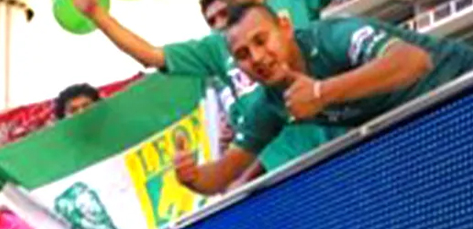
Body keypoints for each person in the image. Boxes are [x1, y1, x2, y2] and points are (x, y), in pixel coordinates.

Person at [175, 3, 473, 194]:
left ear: (285, 27)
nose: (257, 58)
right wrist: (191, 176)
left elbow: (414, 62)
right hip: (426, 132)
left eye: (261, 41)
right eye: (242, 55)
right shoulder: (268, 104)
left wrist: (322, 92)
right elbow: (224, 173)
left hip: (461, 87)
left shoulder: (332, 36)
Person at [72, 0, 340, 187]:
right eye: (211, 21)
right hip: (289, 176)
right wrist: (98, 15)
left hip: (347, 143)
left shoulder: (289, 5)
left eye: (224, 13)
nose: (219, 24)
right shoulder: (216, 48)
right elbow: (151, 56)